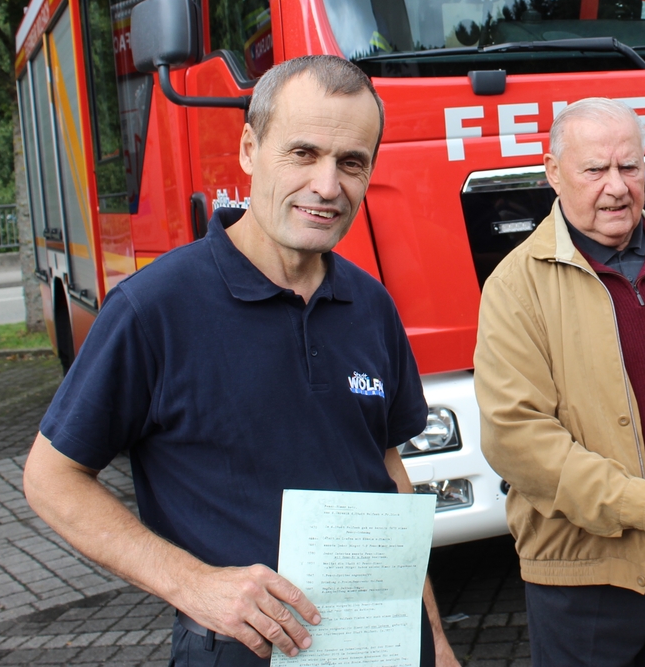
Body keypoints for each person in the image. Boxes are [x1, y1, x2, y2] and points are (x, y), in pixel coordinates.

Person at [22, 55, 458, 667]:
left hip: (382, 647)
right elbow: (50, 479)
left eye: (351, 162)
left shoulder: (370, 305)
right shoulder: (154, 309)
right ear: (250, 149)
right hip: (241, 652)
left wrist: (434, 638)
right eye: (303, 154)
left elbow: (386, 474)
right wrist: (193, 584)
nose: (327, 186)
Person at [474, 97, 645, 666]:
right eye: (594, 170)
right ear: (553, 173)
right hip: (587, 570)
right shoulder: (515, 287)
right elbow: (515, 436)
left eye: (629, 167)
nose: (617, 187)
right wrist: (639, 506)